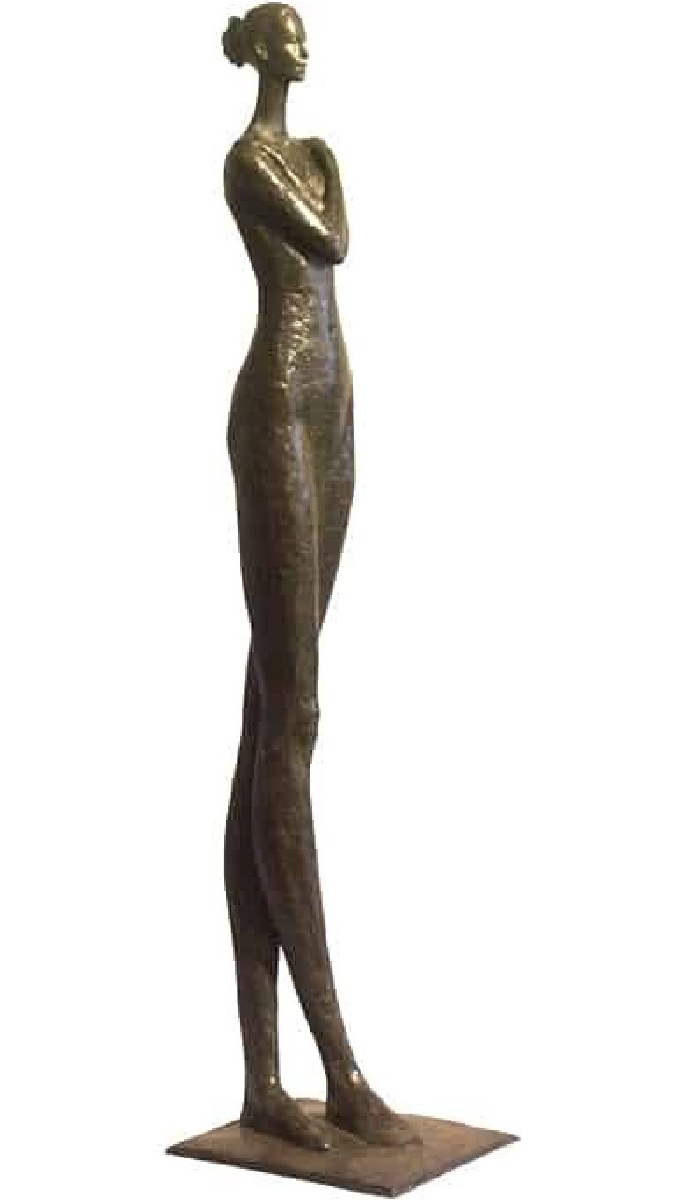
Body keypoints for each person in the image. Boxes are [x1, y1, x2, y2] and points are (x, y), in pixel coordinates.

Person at [220, 3, 416, 1152]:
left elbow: (340, 238)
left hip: (334, 403)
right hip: (277, 409)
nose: (304, 43)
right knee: (292, 718)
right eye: (286, 32)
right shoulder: (252, 159)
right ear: (259, 48)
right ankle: (337, 1065)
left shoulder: (310, 152)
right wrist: (332, 173)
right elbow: (334, 241)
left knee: (269, 723)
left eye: (303, 31)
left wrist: (333, 167)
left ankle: (264, 1081)